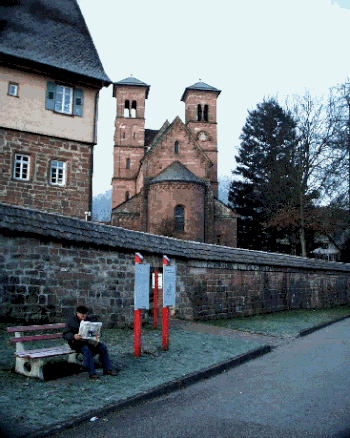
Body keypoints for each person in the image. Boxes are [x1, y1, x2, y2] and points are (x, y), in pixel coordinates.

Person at [63, 305, 117, 379]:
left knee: (102, 347)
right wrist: (73, 336)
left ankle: (107, 369)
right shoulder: (71, 321)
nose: (84, 316)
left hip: (88, 341)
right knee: (86, 349)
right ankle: (92, 372)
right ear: (77, 314)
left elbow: (94, 330)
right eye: (82, 315)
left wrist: (98, 334)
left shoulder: (89, 319)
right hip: (76, 343)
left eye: (85, 314)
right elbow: (65, 334)